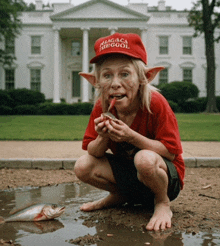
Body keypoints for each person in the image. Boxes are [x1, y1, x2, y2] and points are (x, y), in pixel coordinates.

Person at [74, 33, 185, 231]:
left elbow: (171, 152)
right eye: (107, 75)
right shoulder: (102, 106)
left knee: (144, 159)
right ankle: (120, 195)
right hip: (132, 177)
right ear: (96, 82)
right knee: (83, 165)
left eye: (124, 74)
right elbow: (94, 152)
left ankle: (162, 203)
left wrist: (131, 136)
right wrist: (103, 136)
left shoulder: (156, 103)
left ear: (145, 78)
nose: (115, 83)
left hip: (165, 180)